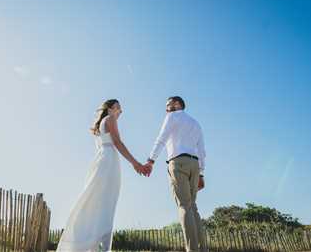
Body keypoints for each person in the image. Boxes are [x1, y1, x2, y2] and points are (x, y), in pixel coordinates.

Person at [56, 99, 150, 252]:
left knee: (96, 202)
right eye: (117, 108)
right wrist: (136, 163)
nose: (120, 111)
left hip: (101, 161)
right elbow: (118, 142)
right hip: (109, 162)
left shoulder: (100, 126)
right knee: (107, 204)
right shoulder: (110, 119)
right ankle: (102, 248)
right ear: (109, 109)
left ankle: (91, 244)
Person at [144, 96, 207, 252]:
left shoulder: (171, 117)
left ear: (178, 104)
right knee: (193, 207)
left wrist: (151, 160)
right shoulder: (195, 123)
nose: (166, 108)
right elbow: (202, 151)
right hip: (194, 164)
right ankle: (203, 249)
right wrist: (201, 173)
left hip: (178, 162)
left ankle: (191, 249)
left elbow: (161, 138)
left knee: (184, 205)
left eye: (169, 105)